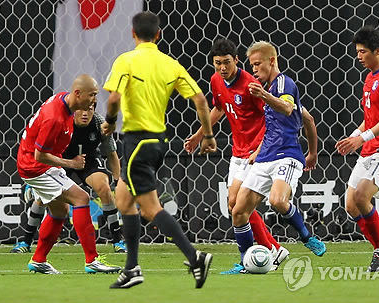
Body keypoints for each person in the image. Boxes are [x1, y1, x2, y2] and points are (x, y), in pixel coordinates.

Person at [101, 12, 217, 289]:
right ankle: (132, 269)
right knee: (124, 200)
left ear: (132, 34)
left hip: (136, 141)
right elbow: (201, 100)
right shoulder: (170, 64)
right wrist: (208, 135)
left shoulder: (126, 60)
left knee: (151, 208)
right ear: (158, 34)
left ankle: (195, 256)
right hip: (157, 142)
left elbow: (114, 97)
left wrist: (109, 121)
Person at [184, 38, 289, 274]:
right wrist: (200, 135)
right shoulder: (215, 81)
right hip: (237, 152)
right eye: (218, 63)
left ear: (237, 61)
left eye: (227, 63)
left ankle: (262, 253)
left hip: (257, 153)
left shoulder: (251, 85)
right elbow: (219, 108)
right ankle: (273, 248)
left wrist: (260, 149)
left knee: (238, 206)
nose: (222, 68)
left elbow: (271, 119)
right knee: (234, 205)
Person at [230, 41, 326, 265]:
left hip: (287, 155)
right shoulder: (272, 90)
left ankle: (306, 237)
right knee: (238, 210)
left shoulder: (284, 83)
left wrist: (263, 95)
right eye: (251, 66)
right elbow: (308, 119)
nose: (254, 70)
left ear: (271, 61)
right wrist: (259, 151)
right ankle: (246, 261)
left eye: (257, 64)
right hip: (265, 157)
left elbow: (287, 108)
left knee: (278, 201)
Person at [16, 74, 121, 274]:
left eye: (96, 95)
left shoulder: (64, 102)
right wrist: (70, 163)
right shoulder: (54, 118)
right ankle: (92, 260)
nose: (94, 100)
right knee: (81, 197)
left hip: (35, 162)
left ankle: (38, 260)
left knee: (60, 211)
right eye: (91, 95)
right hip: (36, 165)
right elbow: (40, 155)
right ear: (78, 93)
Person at [335, 25, 379, 272]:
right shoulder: (370, 78)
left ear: (377, 51)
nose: (359, 56)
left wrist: (362, 138)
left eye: (363, 52)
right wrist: (354, 136)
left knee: (362, 197)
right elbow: (370, 117)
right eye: (357, 52)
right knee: (351, 205)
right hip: (369, 148)